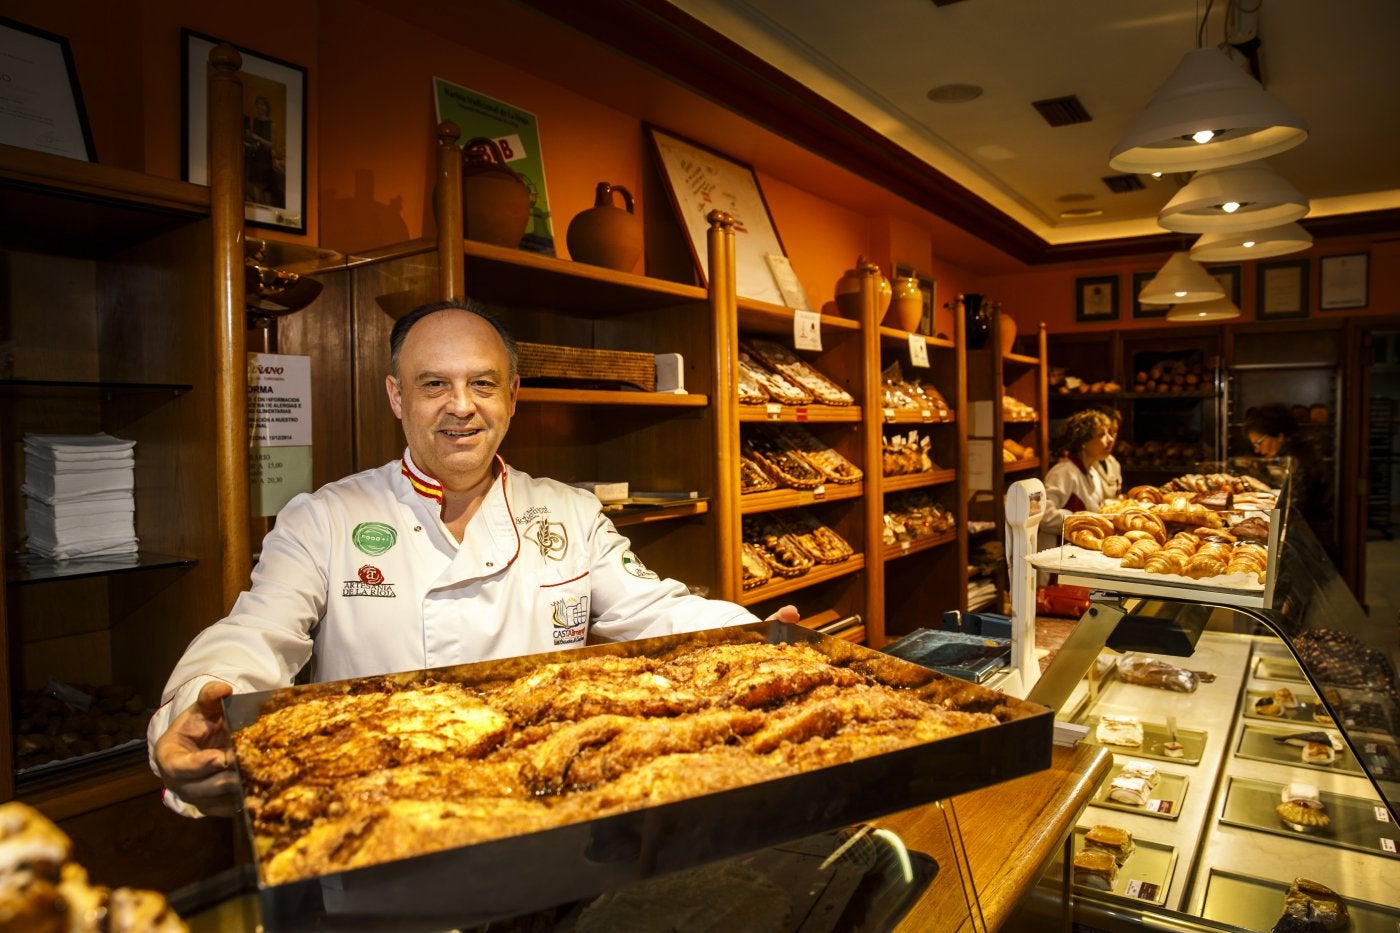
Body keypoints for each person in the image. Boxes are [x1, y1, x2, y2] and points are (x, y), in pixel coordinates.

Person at [149, 298, 796, 818]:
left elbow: (656, 609)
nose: (461, 405)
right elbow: (256, 630)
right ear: (397, 397)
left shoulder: (569, 512)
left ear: (512, 394)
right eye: (435, 384)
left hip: (542, 808)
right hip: (381, 816)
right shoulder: (326, 517)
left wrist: (763, 640)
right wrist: (199, 711)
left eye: (481, 383)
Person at [1039, 408, 1115, 551]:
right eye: (1101, 435)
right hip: (1056, 555)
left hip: (1078, 551)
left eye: (1109, 433)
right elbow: (1044, 517)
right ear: (1083, 442)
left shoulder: (1093, 472)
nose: (1110, 440)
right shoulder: (1063, 473)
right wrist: (1080, 519)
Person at [1243, 403, 1329, 526]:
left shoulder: (1298, 460)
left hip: (1310, 532)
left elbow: (1293, 508)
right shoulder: (1291, 454)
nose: (1256, 450)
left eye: (1258, 443)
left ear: (1279, 435)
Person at [1094, 407, 1123, 501]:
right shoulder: (1074, 469)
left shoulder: (1114, 463)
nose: (1111, 439)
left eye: (1114, 432)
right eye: (1103, 433)